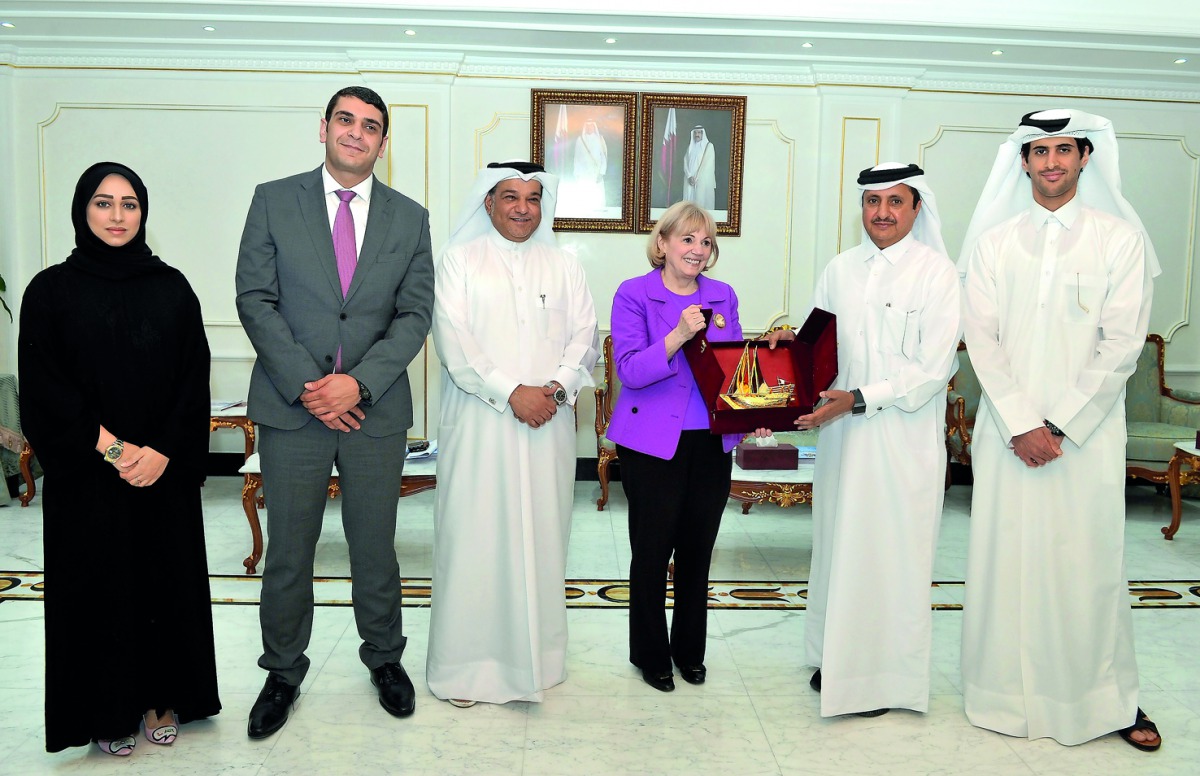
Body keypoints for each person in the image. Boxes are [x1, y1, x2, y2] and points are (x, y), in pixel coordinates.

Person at [958, 109, 1161, 750]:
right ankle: (1003, 694)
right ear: (1023, 162)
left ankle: (1104, 699)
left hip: (1087, 437)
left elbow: (1123, 344)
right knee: (1006, 562)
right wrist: (1022, 425)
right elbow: (982, 342)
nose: (1051, 162)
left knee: (1086, 566)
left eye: (1063, 151)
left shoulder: (1120, 240)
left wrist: (1060, 426)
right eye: (1039, 151)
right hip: (1007, 436)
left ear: (1084, 159)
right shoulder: (994, 243)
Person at [235, 85, 434, 738]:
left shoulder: (410, 217)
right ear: (322, 128)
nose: (356, 132)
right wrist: (312, 385)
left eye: (371, 125)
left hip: (373, 412)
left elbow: (414, 314)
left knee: (375, 546)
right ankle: (283, 671)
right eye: (345, 120)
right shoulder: (273, 199)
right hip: (293, 409)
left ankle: (384, 658)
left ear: (383, 142)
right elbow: (255, 298)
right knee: (290, 549)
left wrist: (359, 384)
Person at [19, 162, 220, 755]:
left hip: (163, 473)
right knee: (99, 588)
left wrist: (160, 451)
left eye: (129, 204)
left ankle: (164, 697)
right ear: (83, 209)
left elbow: (193, 378)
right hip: (89, 478)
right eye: (104, 203)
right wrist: (112, 449)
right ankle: (106, 709)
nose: (117, 215)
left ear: (143, 213)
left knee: (165, 583)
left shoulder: (171, 285)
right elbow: (45, 390)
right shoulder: (49, 291)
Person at [764, 163, 961, 717]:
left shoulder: (937, 274)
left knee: (890, 555)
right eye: (873, 202)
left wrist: (860, 396)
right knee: (839, 546)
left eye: (895, 202)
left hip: (903, 440)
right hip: (844, 439)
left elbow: (932, 370)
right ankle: (838, 659)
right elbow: (818, 350)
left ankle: (882, 679)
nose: (882, 213)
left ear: (916, 208)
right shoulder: (840, 269)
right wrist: (786, 354)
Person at [427, 161, 599, 707]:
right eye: (510, 196)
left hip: (547, 426)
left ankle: (539, 663)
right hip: (481, 425)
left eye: (532, 197)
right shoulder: (459, 260)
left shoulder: (563, 265)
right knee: (476, 539)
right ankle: (466, 670)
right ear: (488, 203)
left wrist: (552, 389)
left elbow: (585, 336)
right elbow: (455, 343)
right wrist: (512, 392)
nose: (522, 207)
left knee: (543, 540)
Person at [606, 200, 741, 692]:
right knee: (651, 552)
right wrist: (679, 334)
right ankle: (650, 655)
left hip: (709, 442)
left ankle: (690, 653)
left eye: (706, 242)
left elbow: (734, 372)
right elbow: (631, 371)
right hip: (650, 445)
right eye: (687, 239)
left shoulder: (723, 295)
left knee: (698, 553)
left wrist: (758, 412)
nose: (697, 250)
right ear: (661, 244)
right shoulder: (634, 294)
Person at [571, 120, 608, 213]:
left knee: (597, 197)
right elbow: (577, 157)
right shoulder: (580, 139)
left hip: (596, 173)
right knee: (583, 198)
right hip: (583, 173)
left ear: (594, 127)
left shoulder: (600, 139)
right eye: (587, 126)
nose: (589, 128)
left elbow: (604, 157)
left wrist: (601, 173)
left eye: (591, 126)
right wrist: (577, 172)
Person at [682, 126, 716, 209]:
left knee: (701, 206)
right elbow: (685, 162)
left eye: (699, 132)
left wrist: (696, 178)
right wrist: (689, 176)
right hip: (690, 180)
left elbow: (707, 166)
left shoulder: (709, 146)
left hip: (701, 182)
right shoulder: (690, 147)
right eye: (695, 133)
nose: (697, 135)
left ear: (703, 134)